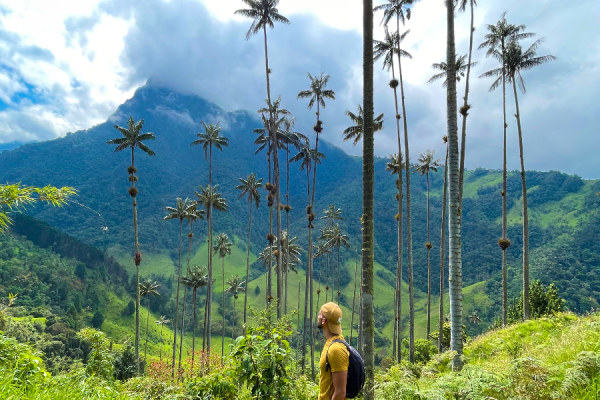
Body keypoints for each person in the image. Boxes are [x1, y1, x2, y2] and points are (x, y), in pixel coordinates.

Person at [317, 302, 348, 400]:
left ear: (323, 320)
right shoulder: (332, 343)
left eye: (320, 314)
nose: (318, 316)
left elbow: (340, 393)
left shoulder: (336, 349)